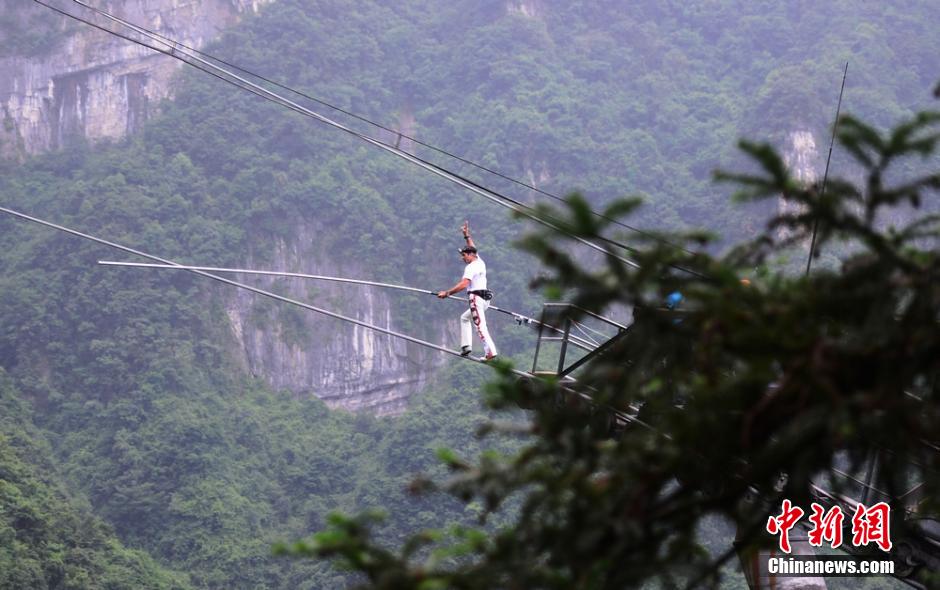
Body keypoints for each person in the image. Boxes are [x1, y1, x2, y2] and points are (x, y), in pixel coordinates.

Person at [437, 221, 498, 360]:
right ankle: (466, 347)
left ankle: (490, 352)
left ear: (470, 255)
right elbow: (473, 247)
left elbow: (464, 284)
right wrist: (466, 236)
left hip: (476, 299)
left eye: (464, 255)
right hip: (485, 299)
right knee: (464, 318)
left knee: (480, 326)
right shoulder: (480, 261)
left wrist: (447, 293)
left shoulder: (470, 267)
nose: (462, 258)